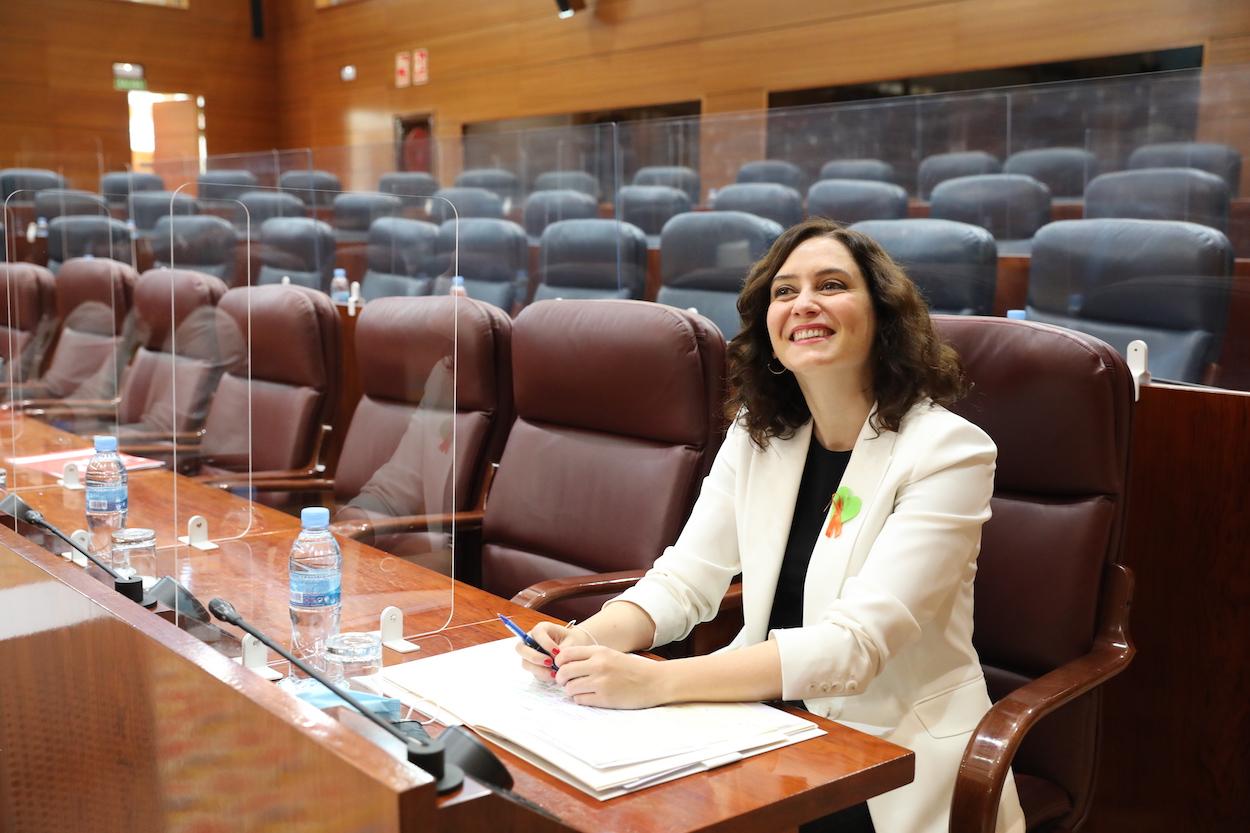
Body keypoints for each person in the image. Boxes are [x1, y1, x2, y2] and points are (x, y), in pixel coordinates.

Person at [515, 217, 1026, 833]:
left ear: (884, 316)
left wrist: (657, 680)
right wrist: (590, 640)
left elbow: (855, 646)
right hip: (765, 720)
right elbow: (684, 580)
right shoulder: (761, 434)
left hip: (890, 751)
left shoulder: (949, 451)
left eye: (832, 285)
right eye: (784, 292)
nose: (804, 303)